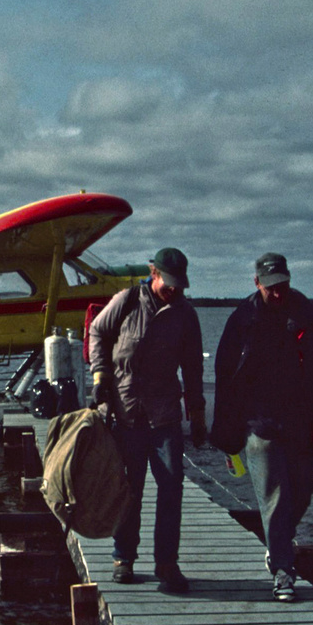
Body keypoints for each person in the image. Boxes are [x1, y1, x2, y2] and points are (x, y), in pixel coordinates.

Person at [210, 253, 313, 603]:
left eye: (284, 285)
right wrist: (225, 432)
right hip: (260, 423)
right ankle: (283, 571)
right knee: (275, 497)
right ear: (257, 283)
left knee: (301, 493)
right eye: (271, 287)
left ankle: (278, 545)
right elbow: (224, 376)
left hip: (303, 420)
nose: (278, 293)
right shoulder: (242, 319)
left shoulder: (309, 315)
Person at [88, 248, 207, 594]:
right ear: (153, 274)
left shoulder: (186, 315)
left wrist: (197, 413)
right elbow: (97, 332)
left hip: (165, 414)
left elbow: (193, 370)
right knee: (130, 490)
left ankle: (166, 563)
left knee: (171, 488)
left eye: (178, 286)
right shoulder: (127, 300)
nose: (173, 290)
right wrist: (100, 376)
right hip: (126, 412)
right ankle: (123, 558)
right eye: (168, 283)